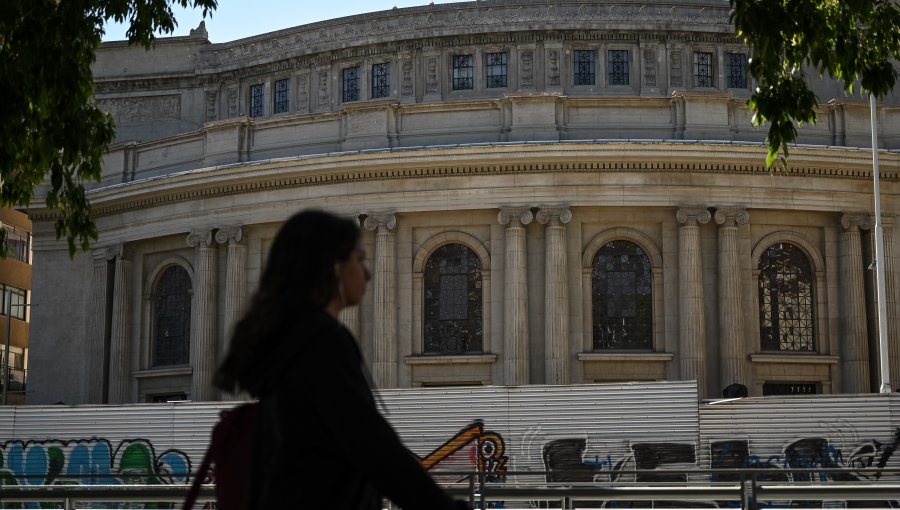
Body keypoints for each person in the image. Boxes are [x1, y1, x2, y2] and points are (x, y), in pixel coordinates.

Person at [215, 210, 466, 510]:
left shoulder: (284, 341)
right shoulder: (320, 342)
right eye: (359, 260)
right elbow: (374, 449)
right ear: (335, 267)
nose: (368, 273)